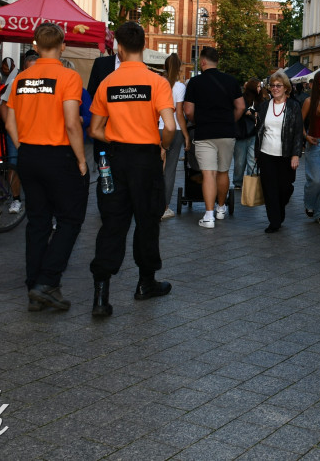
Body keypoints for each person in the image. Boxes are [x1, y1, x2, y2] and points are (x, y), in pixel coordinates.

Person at [88, 22, 176, 318]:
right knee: (147, 220)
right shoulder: (157, 82)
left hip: (115, 159)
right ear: (143, 46)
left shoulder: (107, 82)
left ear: (119, 48)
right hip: (146, 160)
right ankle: (145, 283)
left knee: (113, 223)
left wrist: (117, 137)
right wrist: (162, 145)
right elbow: (170, 126)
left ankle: (101, 296)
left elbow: (95, 129)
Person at [4, 24, 89, 312]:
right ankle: (48, 281)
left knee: (38, 222)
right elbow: (72, 122)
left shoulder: (21, 78)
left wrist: (23, 146)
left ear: (35, 46)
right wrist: (81, 159)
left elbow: (9, 121)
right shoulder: (68, 77)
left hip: (29, 154)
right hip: (59, 155)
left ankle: (34, 286)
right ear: (63, 45)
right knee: (70, 220)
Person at [184, 47, 245, 229]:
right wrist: (230, 121)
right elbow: (241, 107)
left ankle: (209, 216)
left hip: (205, 133)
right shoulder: (231, 81)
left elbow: (188, 111)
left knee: (208, 173)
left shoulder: (195, 82)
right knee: (223, 172)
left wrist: (198, 121)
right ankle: (220, 208)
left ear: (202, 62)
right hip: (226, 132)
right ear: (217, 61)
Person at [253, 70, 304, 233]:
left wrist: (296, 154)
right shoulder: (264, 106)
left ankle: (279, 209)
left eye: (278, 85)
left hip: (286, 155)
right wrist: (257, 153)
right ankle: (274, 221)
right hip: (266, 154)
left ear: (286, 88)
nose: (275, 88)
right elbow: (259, 131)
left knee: (285, 188)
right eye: (272, 85)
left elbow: (298, 131)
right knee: (269, 189)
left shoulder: (293, 106)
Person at [160, 53, 189, 220]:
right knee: (170, 170)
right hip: (175, 130)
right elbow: (179, 114)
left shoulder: (157, 83)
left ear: (164, 66)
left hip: (157, 129)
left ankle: (150, 204)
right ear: (179, 69)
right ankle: (164, 208)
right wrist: (186, 135)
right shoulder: (180, 87)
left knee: (155, 168)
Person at [302, 70, 320, 223]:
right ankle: (310, 203)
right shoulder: (309, 101)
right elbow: (299, 121)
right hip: (314, 143)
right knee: (315, 180)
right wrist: (306, 136)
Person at [232, 78, 261, 189]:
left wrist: (251, 113)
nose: (259, 88)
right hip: (241, 133)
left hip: (254, 133)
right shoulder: (242, 98)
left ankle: (251, 182)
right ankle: (238, 182)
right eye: (258, 86)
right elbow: (239, 109)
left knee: (252, 161)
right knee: (239, 162)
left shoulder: (260, 100)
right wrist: (249, 113)